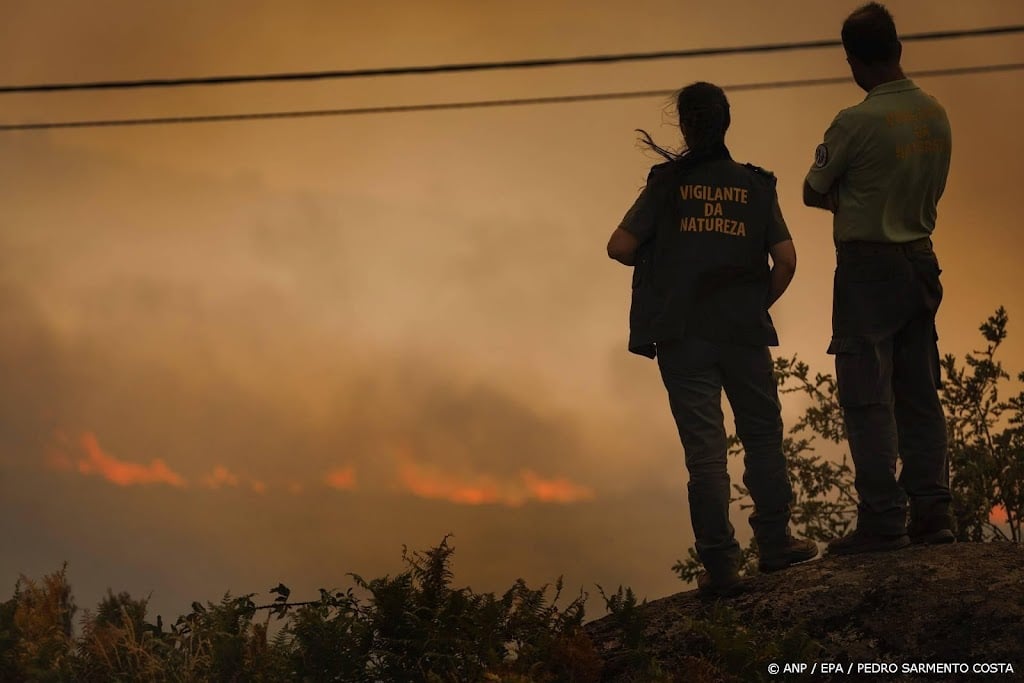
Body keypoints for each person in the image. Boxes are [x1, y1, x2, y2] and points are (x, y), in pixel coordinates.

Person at [607, 81, 816, 597]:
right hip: (743, 331)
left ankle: (721, 566)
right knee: (763, 437)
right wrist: (755, 304)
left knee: (705, 453)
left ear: (684, 125)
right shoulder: (756, 186)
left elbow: (620, 247)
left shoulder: (666, 185)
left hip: (683, 335)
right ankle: (775, 544)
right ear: (727, 123)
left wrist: (667, 253)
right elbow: (787, 260)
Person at [803, 2, 954, 555]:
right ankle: (934, 513)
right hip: (921, 260)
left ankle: (884, 520)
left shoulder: (854, 121)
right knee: (919, 392)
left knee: (867, 395)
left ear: (854, 62)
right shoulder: (935, 114)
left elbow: (813, 189)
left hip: (867, 270)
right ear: (898, 48)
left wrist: (854, 197)